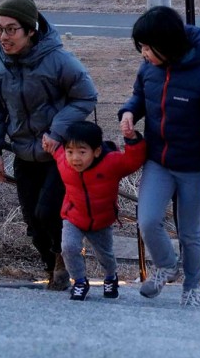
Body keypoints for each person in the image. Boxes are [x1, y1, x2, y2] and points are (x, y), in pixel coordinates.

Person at [119, 6, 200, 307]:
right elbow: (139, 96)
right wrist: (128, 112)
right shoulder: (148, 69)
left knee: (190, 231)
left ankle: (192, 287)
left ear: (168, 44)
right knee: (147, 220)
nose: (143, 53)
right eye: (141, 47)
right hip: (158, 161)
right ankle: (166, 265)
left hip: (196, 168)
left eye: (148, 47)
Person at [0, 0, 98, 291]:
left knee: (48, 212)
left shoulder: (59, 60)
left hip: (58, 155)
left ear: (31, 30)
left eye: (11, 30)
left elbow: (86, 96)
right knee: (33, 222)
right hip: (23, 154)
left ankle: (65, 259)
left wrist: (58, 130)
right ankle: (54, 266)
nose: (4, 37)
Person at [48, 121, 146, 300]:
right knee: (68, 248)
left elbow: (133, 161)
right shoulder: (65, 162)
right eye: (70, 151)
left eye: (82, 152)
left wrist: (133, 140)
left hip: (102, 221)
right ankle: (79, 281)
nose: (75, 158)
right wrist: (49, 142)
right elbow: (57, 151)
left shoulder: (111, 163)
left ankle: (110, 277)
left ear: (97, 151)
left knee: (105, 256)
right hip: (73, 216)